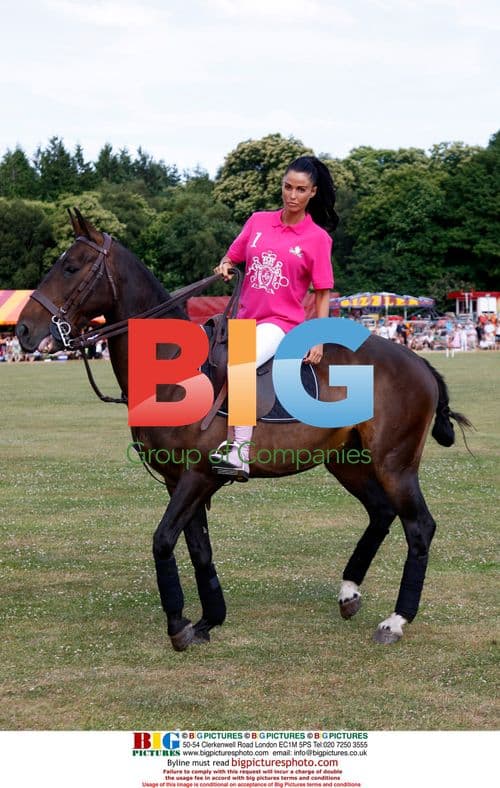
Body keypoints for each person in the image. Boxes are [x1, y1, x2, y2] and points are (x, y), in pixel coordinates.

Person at [212, 155, 338, 481]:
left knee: (239, 363)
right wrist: (226, 264)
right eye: (287, 187)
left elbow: (322, 292)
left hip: (280, 324)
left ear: (312, 193)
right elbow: (234, 254)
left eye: (300, 189)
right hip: (243, 320)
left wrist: (319, 337)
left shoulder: (317, 239)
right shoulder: (257, 221)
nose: (291, 195)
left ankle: (239, 452)